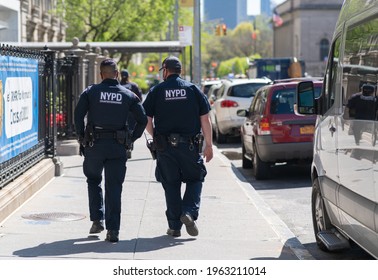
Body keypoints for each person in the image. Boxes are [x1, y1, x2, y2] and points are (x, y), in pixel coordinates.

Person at [74, 59, 147, 242]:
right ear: (117, 74)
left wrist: (81, 137)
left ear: (101, 74)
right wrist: (131, 138)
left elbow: (77, 115)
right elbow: (143, 119)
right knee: (114, 187)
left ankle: (97, 220)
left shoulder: (91, 92)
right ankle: (113, 231)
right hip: (117, 146)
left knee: (93, 180)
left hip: (94, 145)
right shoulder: (128, 94)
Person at [142, 56, 213, 238]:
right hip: (189, 147)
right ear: (179, 70)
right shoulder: (192, 90)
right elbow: (205, 119)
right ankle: (188, 212)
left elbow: (146, 119)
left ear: (165, 70)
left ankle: (174, 227)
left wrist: (155, 136)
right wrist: (209, 145)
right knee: (195, 178)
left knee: (171, 184)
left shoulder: (157, 91)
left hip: (165, 147)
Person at [120, 69, 143, 158]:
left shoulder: (118, 86)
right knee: (130, 131)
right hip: (132, 114)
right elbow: (139, 99)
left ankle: (123, 147)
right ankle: (129, 146)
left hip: (121, 113)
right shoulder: (134, 86)